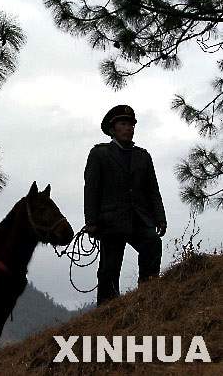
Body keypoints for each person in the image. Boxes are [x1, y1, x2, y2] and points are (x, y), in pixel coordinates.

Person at [84, 105, 167, 306]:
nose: (129, 128)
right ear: (113, 129)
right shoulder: (99, 154)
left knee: (153, 244)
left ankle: (147, 296)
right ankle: (107, 309)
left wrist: (160, 218)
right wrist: (91, 222)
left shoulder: (143, 156)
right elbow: (91, 189)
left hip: (139, 218)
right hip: (110, 221)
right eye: (123, 124)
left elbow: (152, 190)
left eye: (131, 124)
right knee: (109, 268)